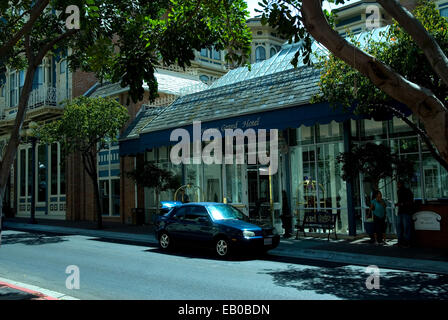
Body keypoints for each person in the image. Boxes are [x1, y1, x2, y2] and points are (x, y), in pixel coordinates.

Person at [395, 180, 414, 248]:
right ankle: (401, 242)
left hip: (406, 212)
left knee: (406, 227)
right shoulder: (399, 191)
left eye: (398, 184)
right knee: (400, 227)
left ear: (401, 184)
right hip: (401, 211)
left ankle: (407, 242)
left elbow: (410, 202)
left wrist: (401, 204)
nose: (397, 185)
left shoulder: (407, 191)